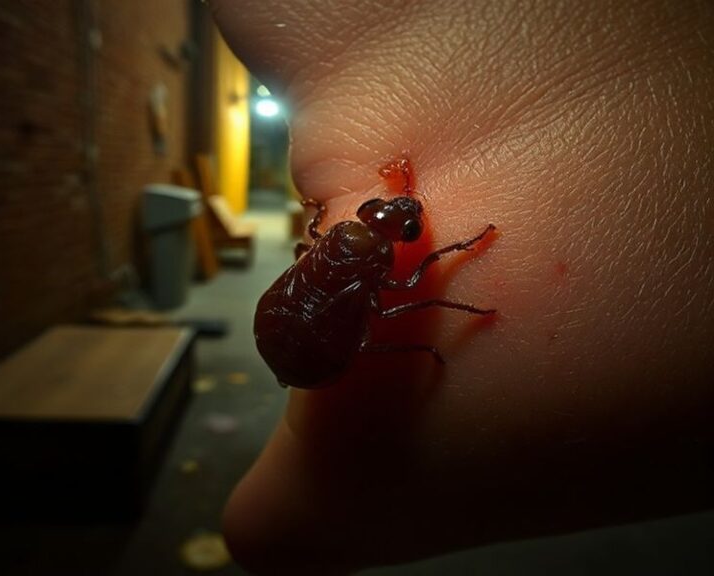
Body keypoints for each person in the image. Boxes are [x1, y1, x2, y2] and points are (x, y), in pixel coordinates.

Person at [209, 1, 714, 573]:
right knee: (399, 310)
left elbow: (335, 249)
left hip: (292, 336)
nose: (388, 213)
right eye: (385, 214)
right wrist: (449, 280)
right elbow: (411, 286)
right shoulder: (360, 252)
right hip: (301, 346)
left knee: (388, 314)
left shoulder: (338, 238)